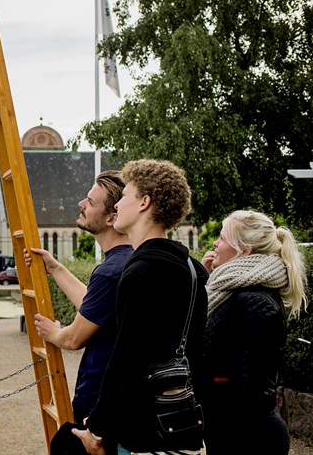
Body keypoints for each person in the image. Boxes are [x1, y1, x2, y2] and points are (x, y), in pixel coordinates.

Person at [75, 160, 208, 455]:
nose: (119, 204)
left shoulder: (140, 272)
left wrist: (97, 429)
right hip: (180, 425)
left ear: (144, 203)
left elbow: (125, 359)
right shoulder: (192, 268)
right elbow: (196, 353)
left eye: (125, 197)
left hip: (143, 434)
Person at [26, 171, 132, 425]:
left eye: (90, 202)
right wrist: (54, 268)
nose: (81, 205)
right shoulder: (127, 261)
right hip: (119, 396)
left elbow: (74, 338)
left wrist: (52, 333)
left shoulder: (110, 272)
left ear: (111, 218)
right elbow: (94, 305)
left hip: (98, 399)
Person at [197, 210, 307, 454]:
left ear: (244, 250)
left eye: (223, 238)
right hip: (232, 432)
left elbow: (249, 389)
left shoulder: (255, 301)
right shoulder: (232, 291)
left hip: (248, 438)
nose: (215, 243)